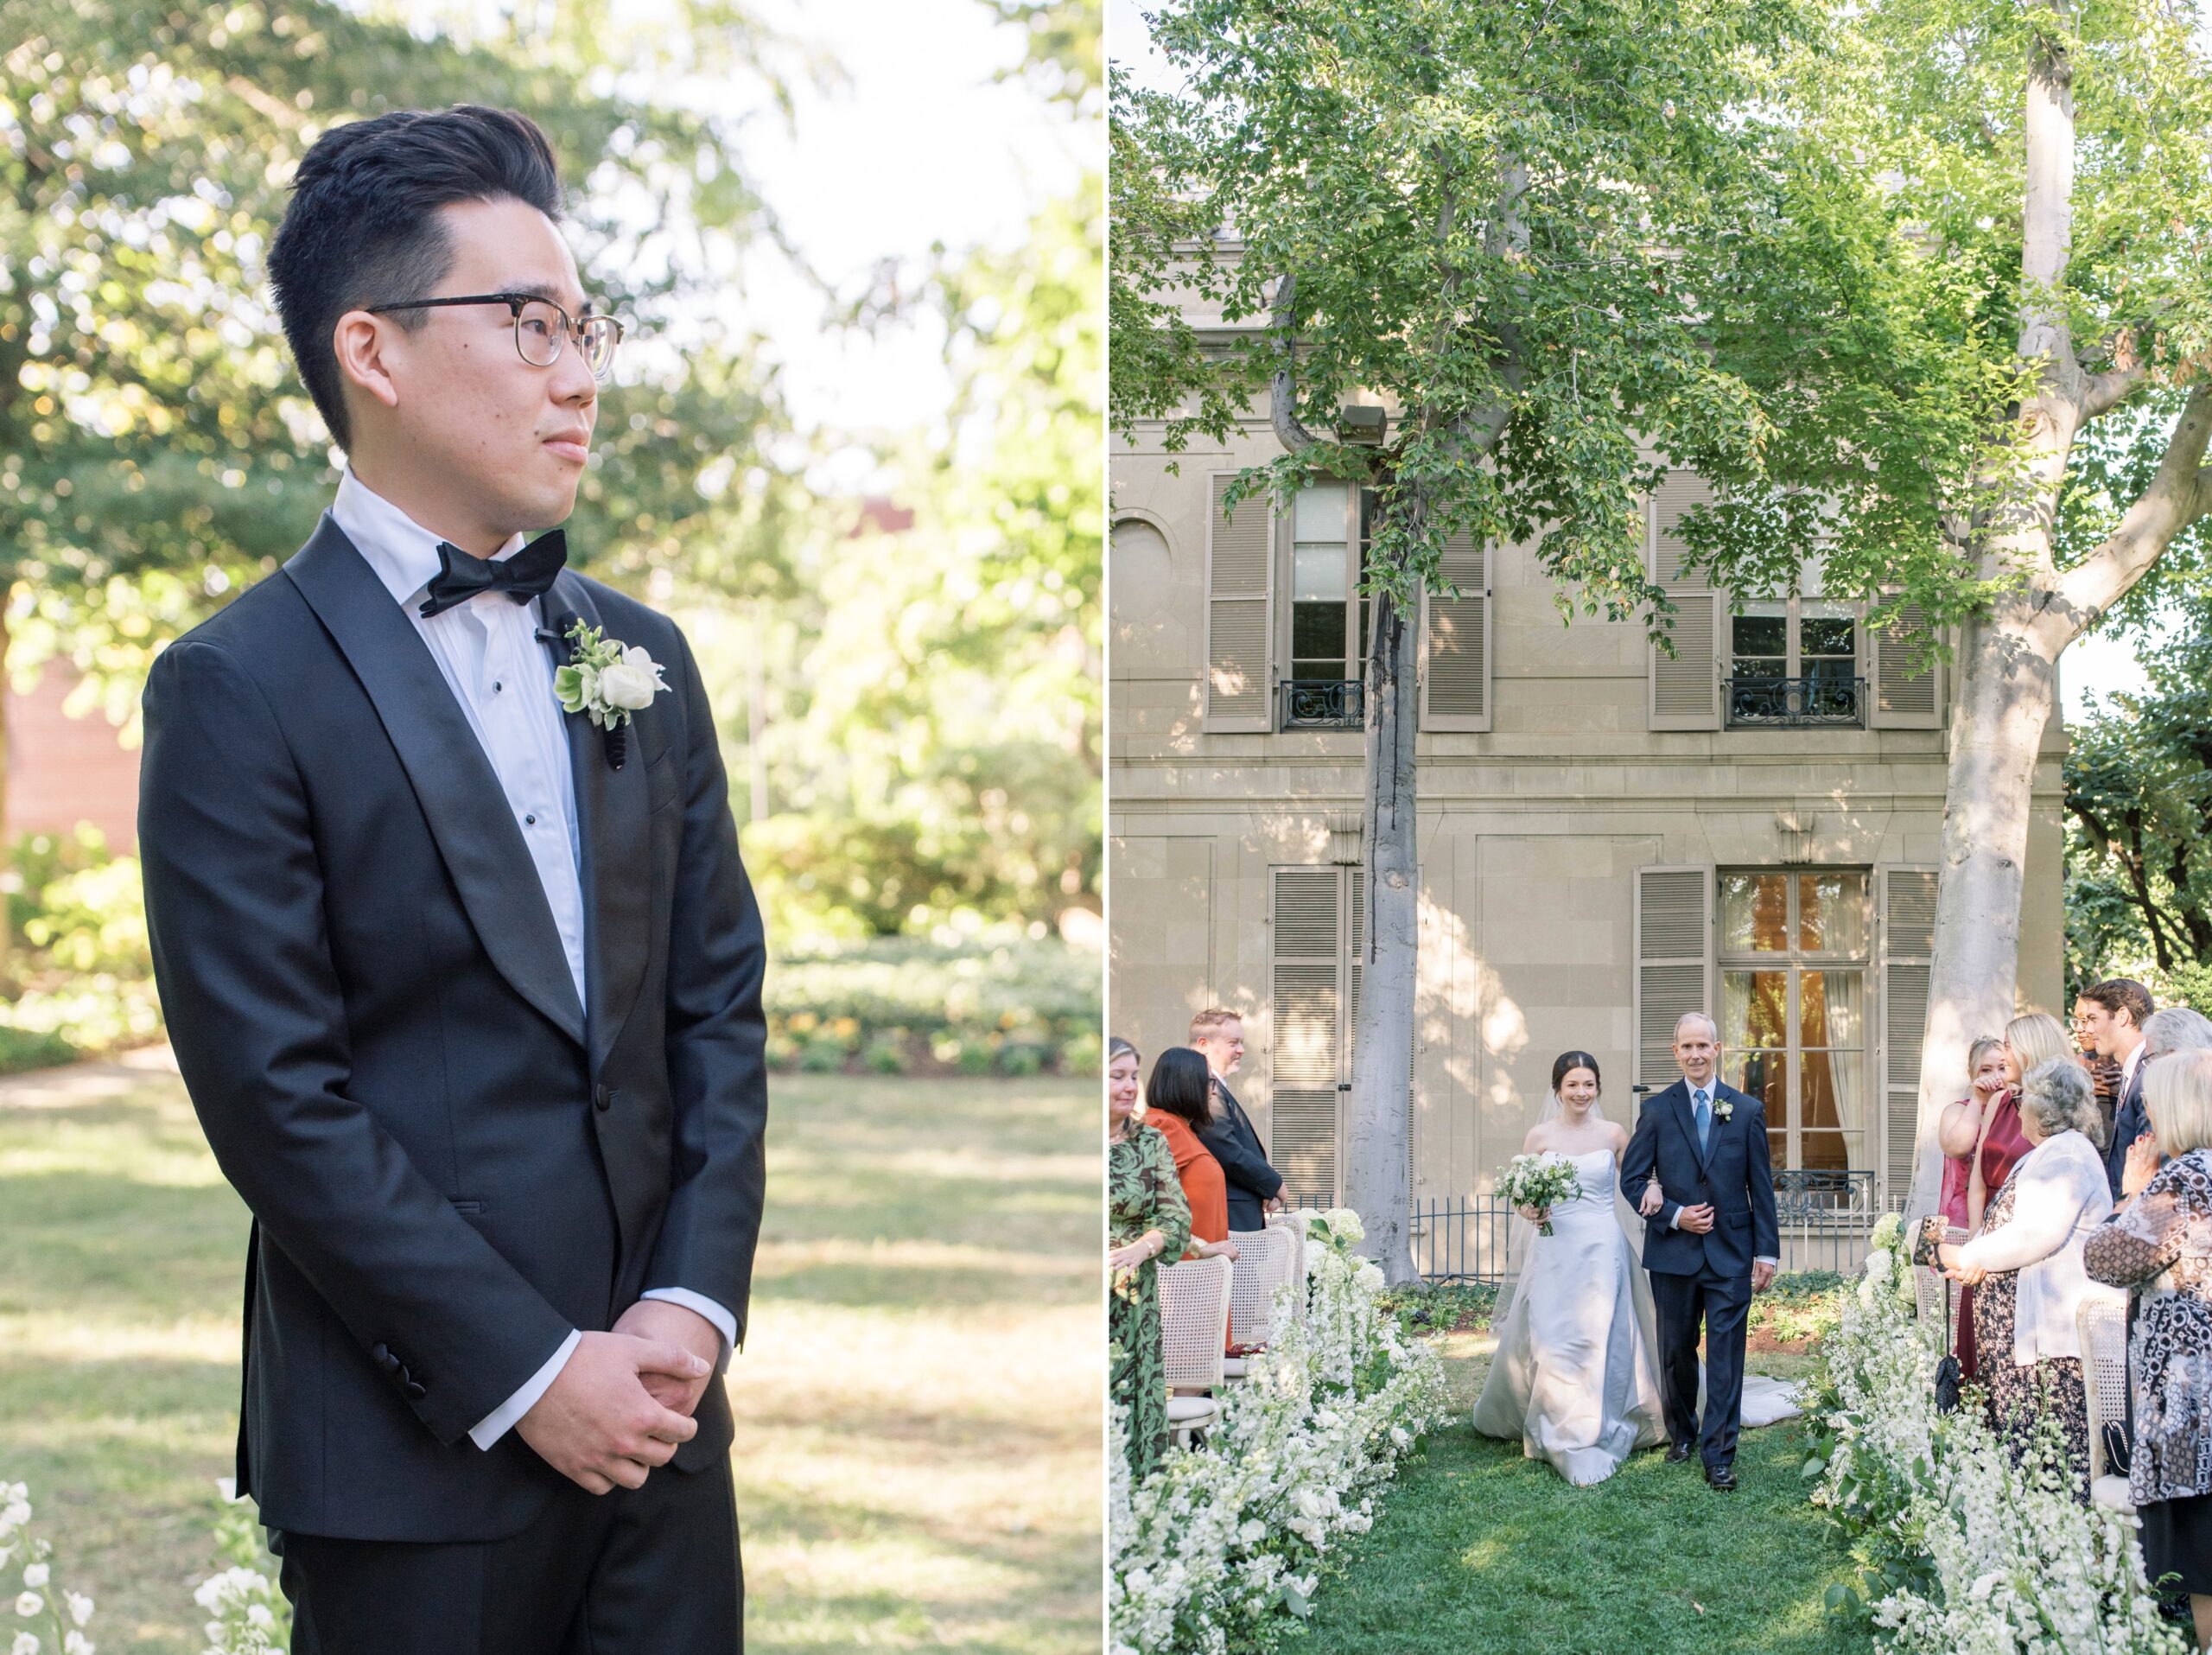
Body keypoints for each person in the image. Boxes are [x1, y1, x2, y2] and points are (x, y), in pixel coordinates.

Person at [137, 108, 763, 1650]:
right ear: (374, 350)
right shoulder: (235, 686)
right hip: (407, 1461)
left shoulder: (644, 657)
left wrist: (687, 1307)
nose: (581, 373)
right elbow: (276, 1099)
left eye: (587, 327)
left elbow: (713, 1010)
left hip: (665, 1434)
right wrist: (535, 1372)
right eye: (531, 323)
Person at [1472, 1052, 1666, 1485]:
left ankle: (1599, 1420)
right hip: (1554, 1248)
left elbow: (1637, 1178)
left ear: (1598, 1088)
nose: (1581, 1092)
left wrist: (1654, 1186)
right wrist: (1529, 1209)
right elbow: (1522, 1195)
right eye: (1573, 1084)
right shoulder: (1539, 1136)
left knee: (1599, 1334)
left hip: (1601, 1248)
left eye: (1589, 1084)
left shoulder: (1614, 1134)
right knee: (1552, 1335)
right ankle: (1553, 1415)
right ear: (1557, 1089)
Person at [1937, 1059, 2119, 1501]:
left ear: (2045, 1107)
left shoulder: (2068, 1154)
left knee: (2049, 1455)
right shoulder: (2051, 1151)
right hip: (2026, 1338)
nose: (2018, 1109)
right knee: (2019, 1447)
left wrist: (1970, 1256)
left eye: (2025, 1100)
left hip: (2051, 1344)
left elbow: (2036, 1234)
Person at [1620, 1012, 1781, 1493]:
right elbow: (1632, 1179)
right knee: (1675, 1351)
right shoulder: (1656, 1110)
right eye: (1686, 1047)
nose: (1695, 1054)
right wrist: (1673, 1214)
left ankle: (1719, 1454)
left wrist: (1767, 1252)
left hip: (1731, 1252)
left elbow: (1761, 1186)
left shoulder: (1746, 1110)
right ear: (1676, 1053)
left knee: (1727, 1354)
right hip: (1673, 1254)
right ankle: (1684, 1434)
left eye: (1702, 1046)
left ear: (1717, 1049)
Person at [2085, 1049, 2212, 1651]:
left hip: (2189, 1394)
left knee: (2201, 1547)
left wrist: (2129, 1195)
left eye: (2154, 1105)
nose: (2148, 1119)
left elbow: (2106, 1258)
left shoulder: (2183, 1180)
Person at [1109, 1037, 1192, 1480]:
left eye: (1133, 1077)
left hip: (1132, 1297)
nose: (1129, 1087)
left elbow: (1176, 1216)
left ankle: (1137, 1496)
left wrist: (1143, 1247)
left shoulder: (1150, 1141)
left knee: (1129, 1397)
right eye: (1116, 1076)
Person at [1141, 1047, 1241, 1264]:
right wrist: (1200, 1247)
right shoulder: (1163, 1127)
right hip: (1181, 1270)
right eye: (1210, 1082)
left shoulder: (1180, 1128)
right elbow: (1144, 1207)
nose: (1213, 1092)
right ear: (1188, 1084)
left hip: (1197, 1268)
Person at [1190, 1008, 1287, 1229]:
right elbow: (1226, 1151)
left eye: (1241, 1043)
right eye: (1233, 1043)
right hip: (1230, 1213)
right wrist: (1273, 1183)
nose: (1241, 1050)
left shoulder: (1214, 1087)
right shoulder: (1207, 1089)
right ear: (1204, 1045)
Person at [2081, 978, 2157, 1199]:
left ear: (2123, 1016)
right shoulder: (2134, 1071)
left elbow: (2150, 1165)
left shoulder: (2150, 1076)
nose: (2088, 1029)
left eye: (2093, 1019)